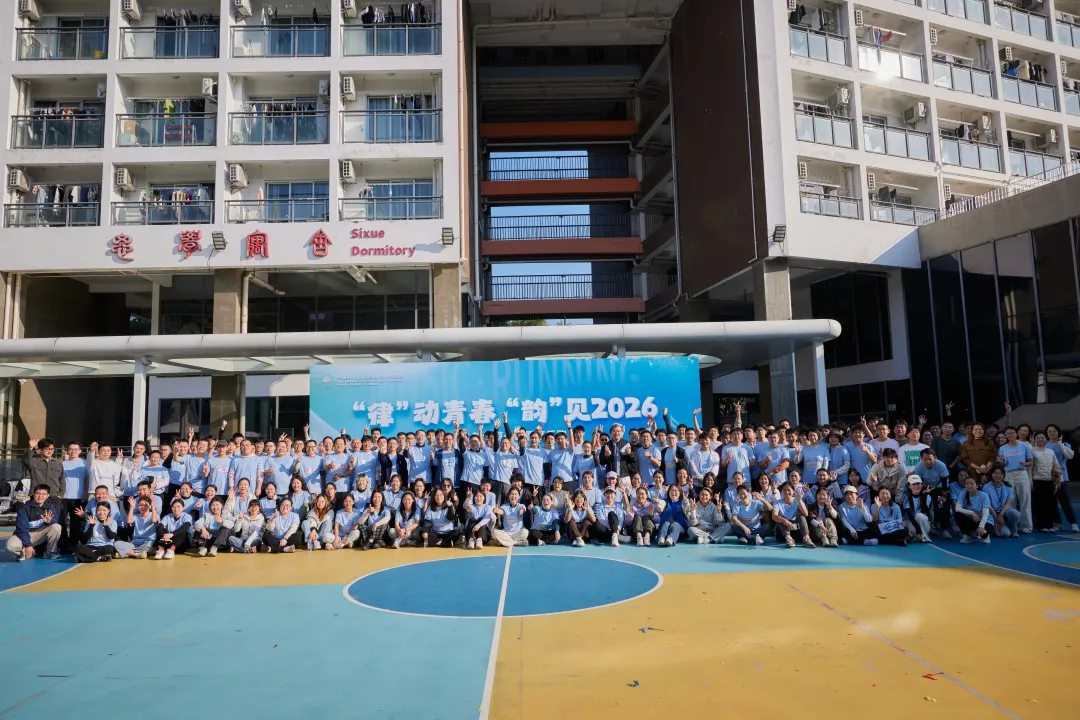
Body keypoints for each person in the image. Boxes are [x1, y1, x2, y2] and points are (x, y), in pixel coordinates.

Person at [7, 484, 62, 561]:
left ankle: (50, 552)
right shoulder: (24, 508)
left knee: (56, 526)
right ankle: (25, 551)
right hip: (26, 534)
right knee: (11, 546)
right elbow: (22, 528)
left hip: (39, 534)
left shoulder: (50, 507)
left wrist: (49, 521)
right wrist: (28, 545)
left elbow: (55, 520)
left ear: (47, 496)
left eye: (43, 494)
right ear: (34, 494)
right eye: (38, 493)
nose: (40, 496)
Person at [999, 427, 1034, 533]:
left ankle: (1026, 526)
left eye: (1012, 433)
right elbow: (1002, 463)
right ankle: (1013, 526)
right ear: (1005, 435)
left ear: (1016, 434)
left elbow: (1031, 462)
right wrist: (1001, 462)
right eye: (1007, 433)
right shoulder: (1002, 448)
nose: (1010, 435)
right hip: (1008, 475)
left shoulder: (1024, 446)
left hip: (1022, 474)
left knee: (1025, 501)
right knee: (1010, 502)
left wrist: (1025, 463)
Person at [1045, 424, 1079, 531]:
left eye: (1054, 431)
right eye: (1049, 431)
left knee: (1064, 501)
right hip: (1047, 477)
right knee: (1051, 502)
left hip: (1062, 477)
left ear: (1058, 432)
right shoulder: (1045, 445)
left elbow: (1070, 456)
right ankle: (1058, 522)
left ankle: (1073, 523)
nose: (1052, 433)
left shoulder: (1065, 444)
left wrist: (1060, 444)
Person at [1029, 431, 1063, 533]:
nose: (1040, 439)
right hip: (1037, 480)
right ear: (1035, 440)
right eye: (1038, 438)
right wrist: (1030, 482)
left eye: (1042, 437)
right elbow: (1030, 468)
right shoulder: (1032, 451)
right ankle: (1041, 525)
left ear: (1046, 439)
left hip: (1050, 481)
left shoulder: (1050, 451)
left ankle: (1050, 524)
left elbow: (1056, 465)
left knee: (1051, 504)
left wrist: (1059, 480)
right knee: (1039, 504)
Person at [115, 495, 158, 559]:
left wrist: (153, 507)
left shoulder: (154, 515)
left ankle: (127, 553)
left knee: (149, 548)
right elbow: (129, 521)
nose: (141, 507)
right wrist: (131, 507)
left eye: (144, 505)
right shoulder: (136, 516)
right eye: (140, 505)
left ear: (149, 506)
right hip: (135, 543)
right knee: (117, 543)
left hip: (147, 542)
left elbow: (154, 520)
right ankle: (136, 554)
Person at [772, 482, 812, 549]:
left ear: (793, 491)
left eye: (788, 490)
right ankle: (788, 538)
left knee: (801, 517)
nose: (786, 492)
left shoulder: (797, 500)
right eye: (784, 490)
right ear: (782, 492)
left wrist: (799, 501)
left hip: (796, 531)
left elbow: (806, 514)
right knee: (781, 518)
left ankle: (806, 538)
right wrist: (785, 521)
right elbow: (774, 516)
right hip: (783, 534)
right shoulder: (777, 502)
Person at [954, 474, 993, 544]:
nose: (969, 486)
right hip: (973, 519)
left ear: (977, 485)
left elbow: (986, 513)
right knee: (957, 514)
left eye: (972, 484)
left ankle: (986, 536)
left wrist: (981, 526)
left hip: (986, 521)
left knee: (982, 532)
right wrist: (971, 513)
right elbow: (957, 508)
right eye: (967, 484)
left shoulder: (984, 496)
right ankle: (968, 535)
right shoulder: (963, 493)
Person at [983, 468, 1020, 538]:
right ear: (991, 474)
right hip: (992, 513)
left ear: (1004, 475)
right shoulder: (986, 487)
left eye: (1000, 474)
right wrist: (996, 517)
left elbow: (1008, 504)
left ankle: (1013, 531)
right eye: (995, 473)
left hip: (1003, 512)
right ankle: (995, 527)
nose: (998, 476)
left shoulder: (1008, 486)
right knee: (1006, 534)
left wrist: (1000, 515)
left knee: (1015, 513)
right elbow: (988, 505)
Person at [901, 476, 933, 543]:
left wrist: (924, 496)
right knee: (913, 531)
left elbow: (925, 510)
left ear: (921, 485)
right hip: (910, 521)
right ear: (909, 486)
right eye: (913, 484)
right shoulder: (906, 498)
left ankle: (925, 537)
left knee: (919, 515)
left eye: (918, 484)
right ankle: (918, 534)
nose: (916, 486)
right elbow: (909, 515)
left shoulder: (927, 496)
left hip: (923, 521)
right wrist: (917, 529)